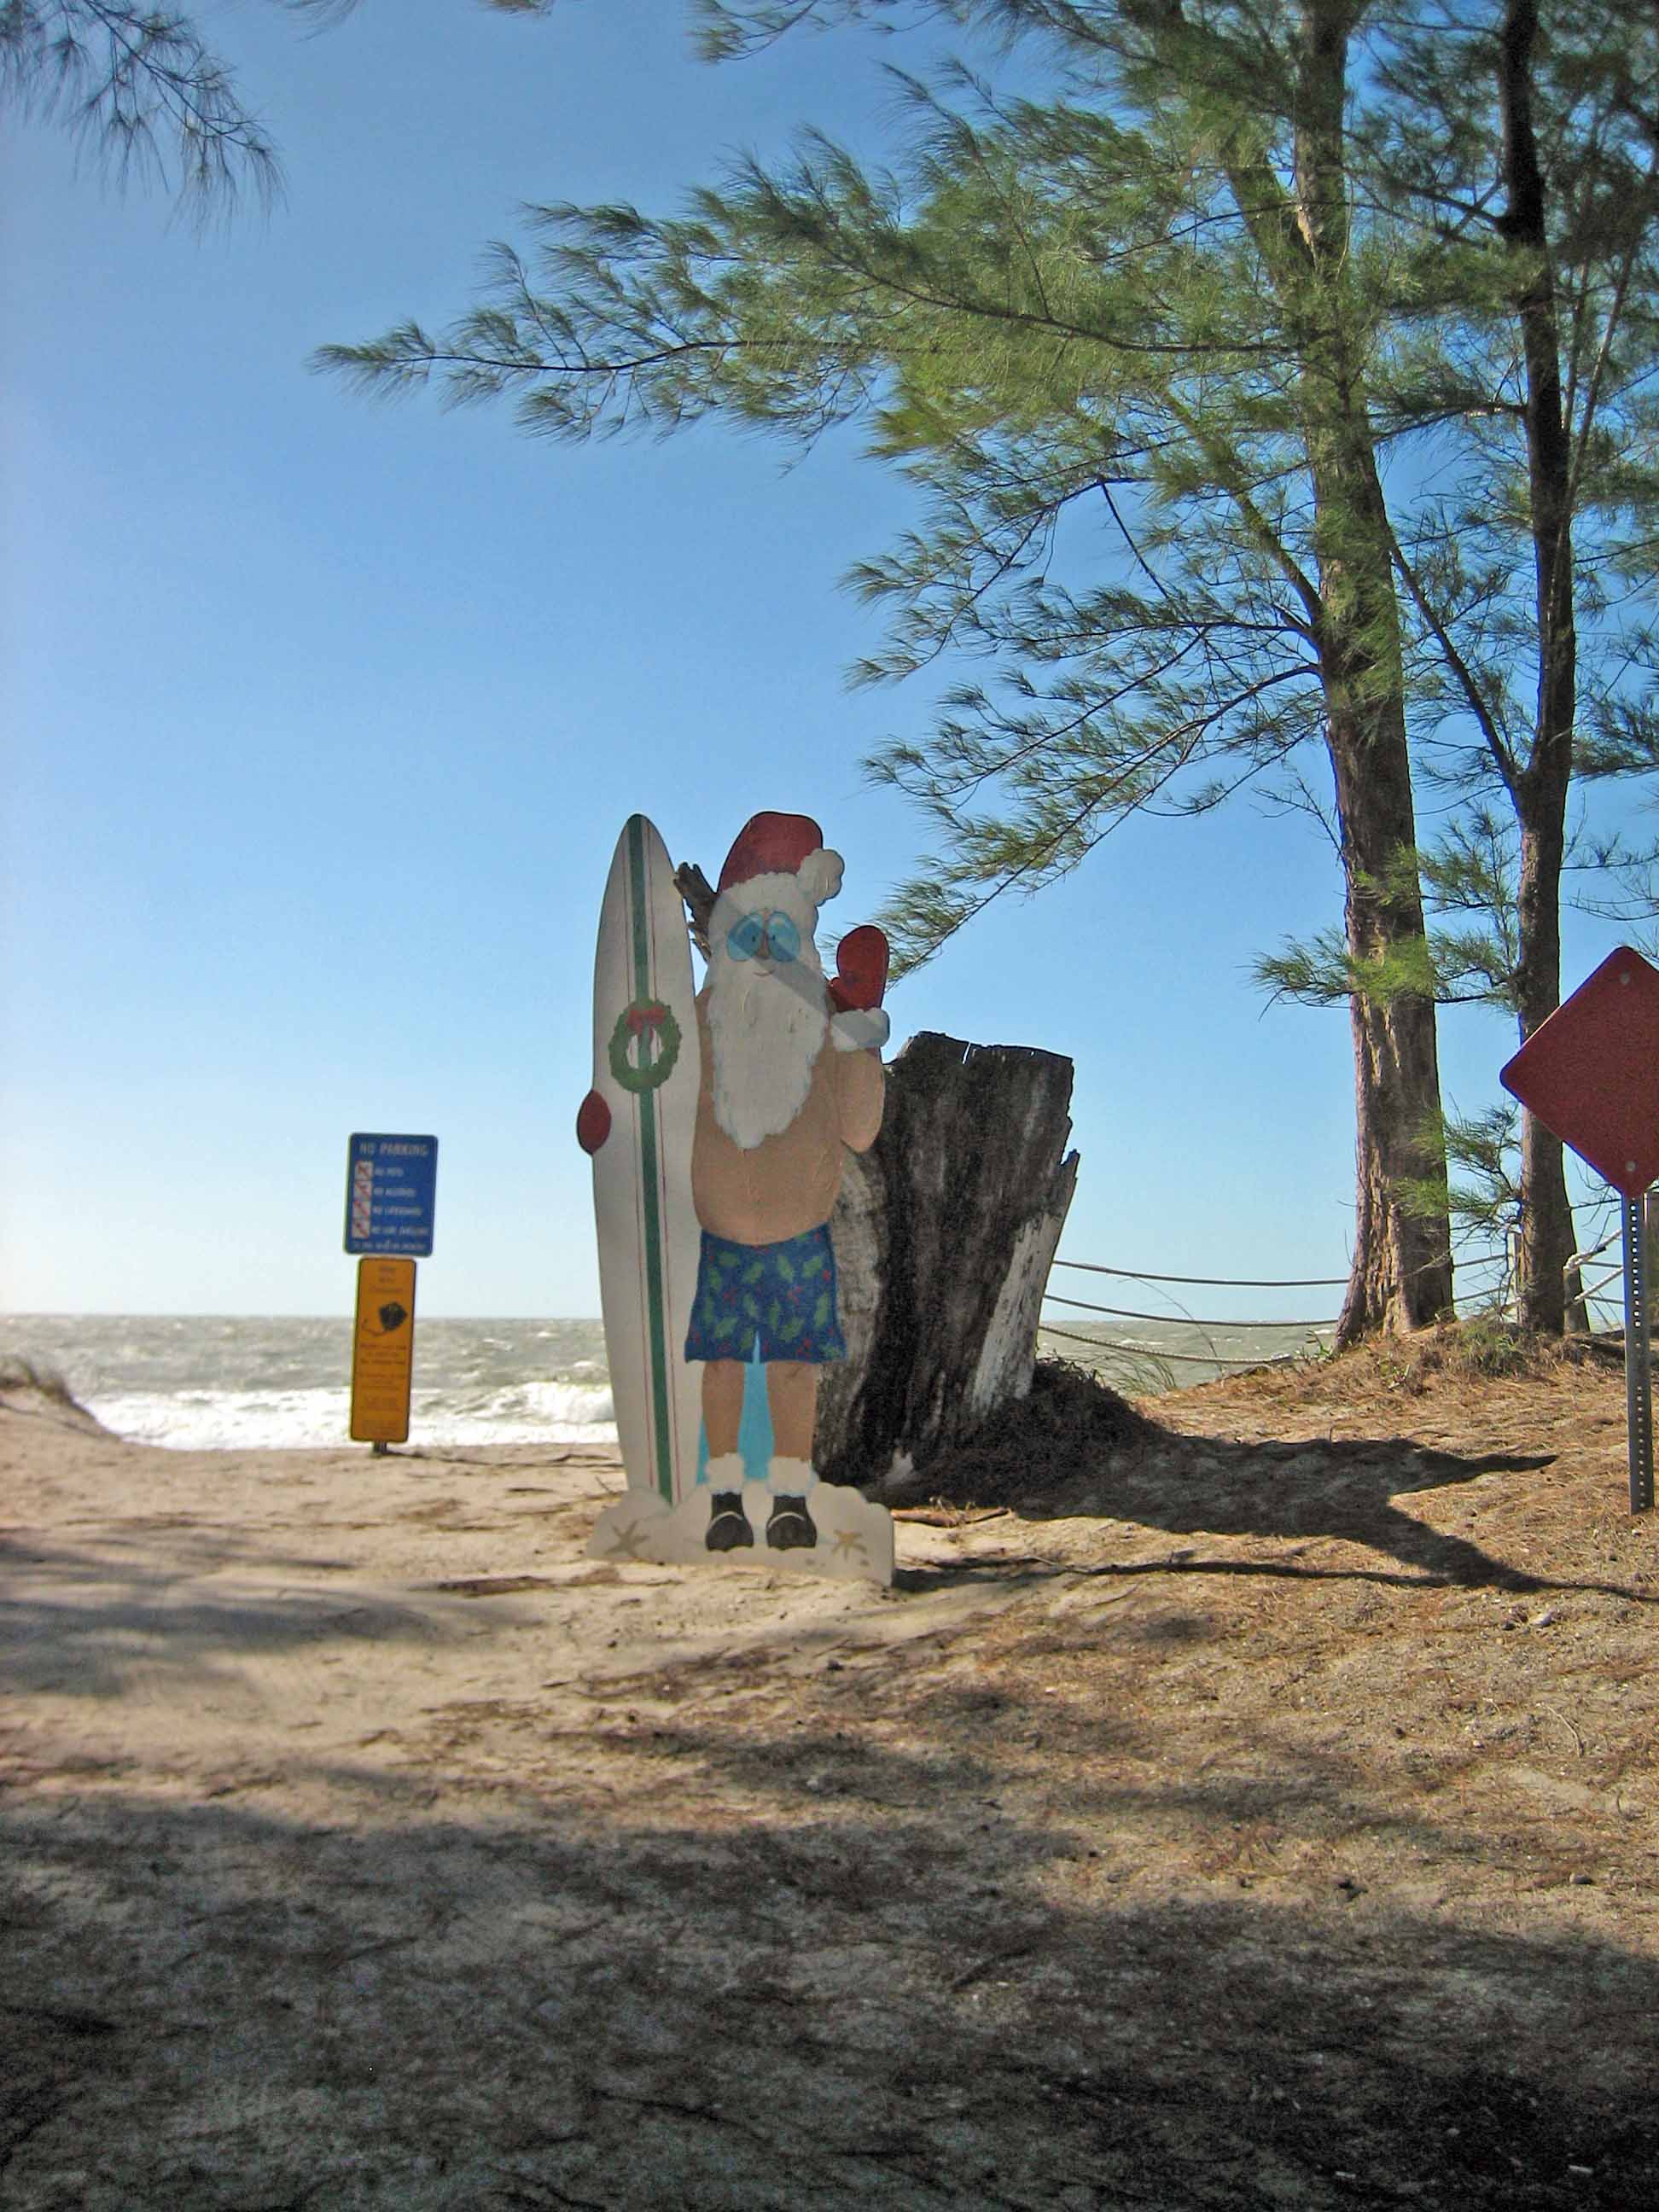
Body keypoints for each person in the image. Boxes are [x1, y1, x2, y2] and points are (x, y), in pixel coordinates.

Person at [685, 812, 888, 1553]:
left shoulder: (823, 1025)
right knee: (722, 1364)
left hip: (801, 1232)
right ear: (723, 939)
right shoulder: (701, 1018)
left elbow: (860, 1128)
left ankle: (792, 1498)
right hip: (721, 1232)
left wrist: (860, 1033)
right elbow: (652, 1089)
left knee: (795, 1368)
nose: (767, 954)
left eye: (781, 935)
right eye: (749, 936)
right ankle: (724, 1498)